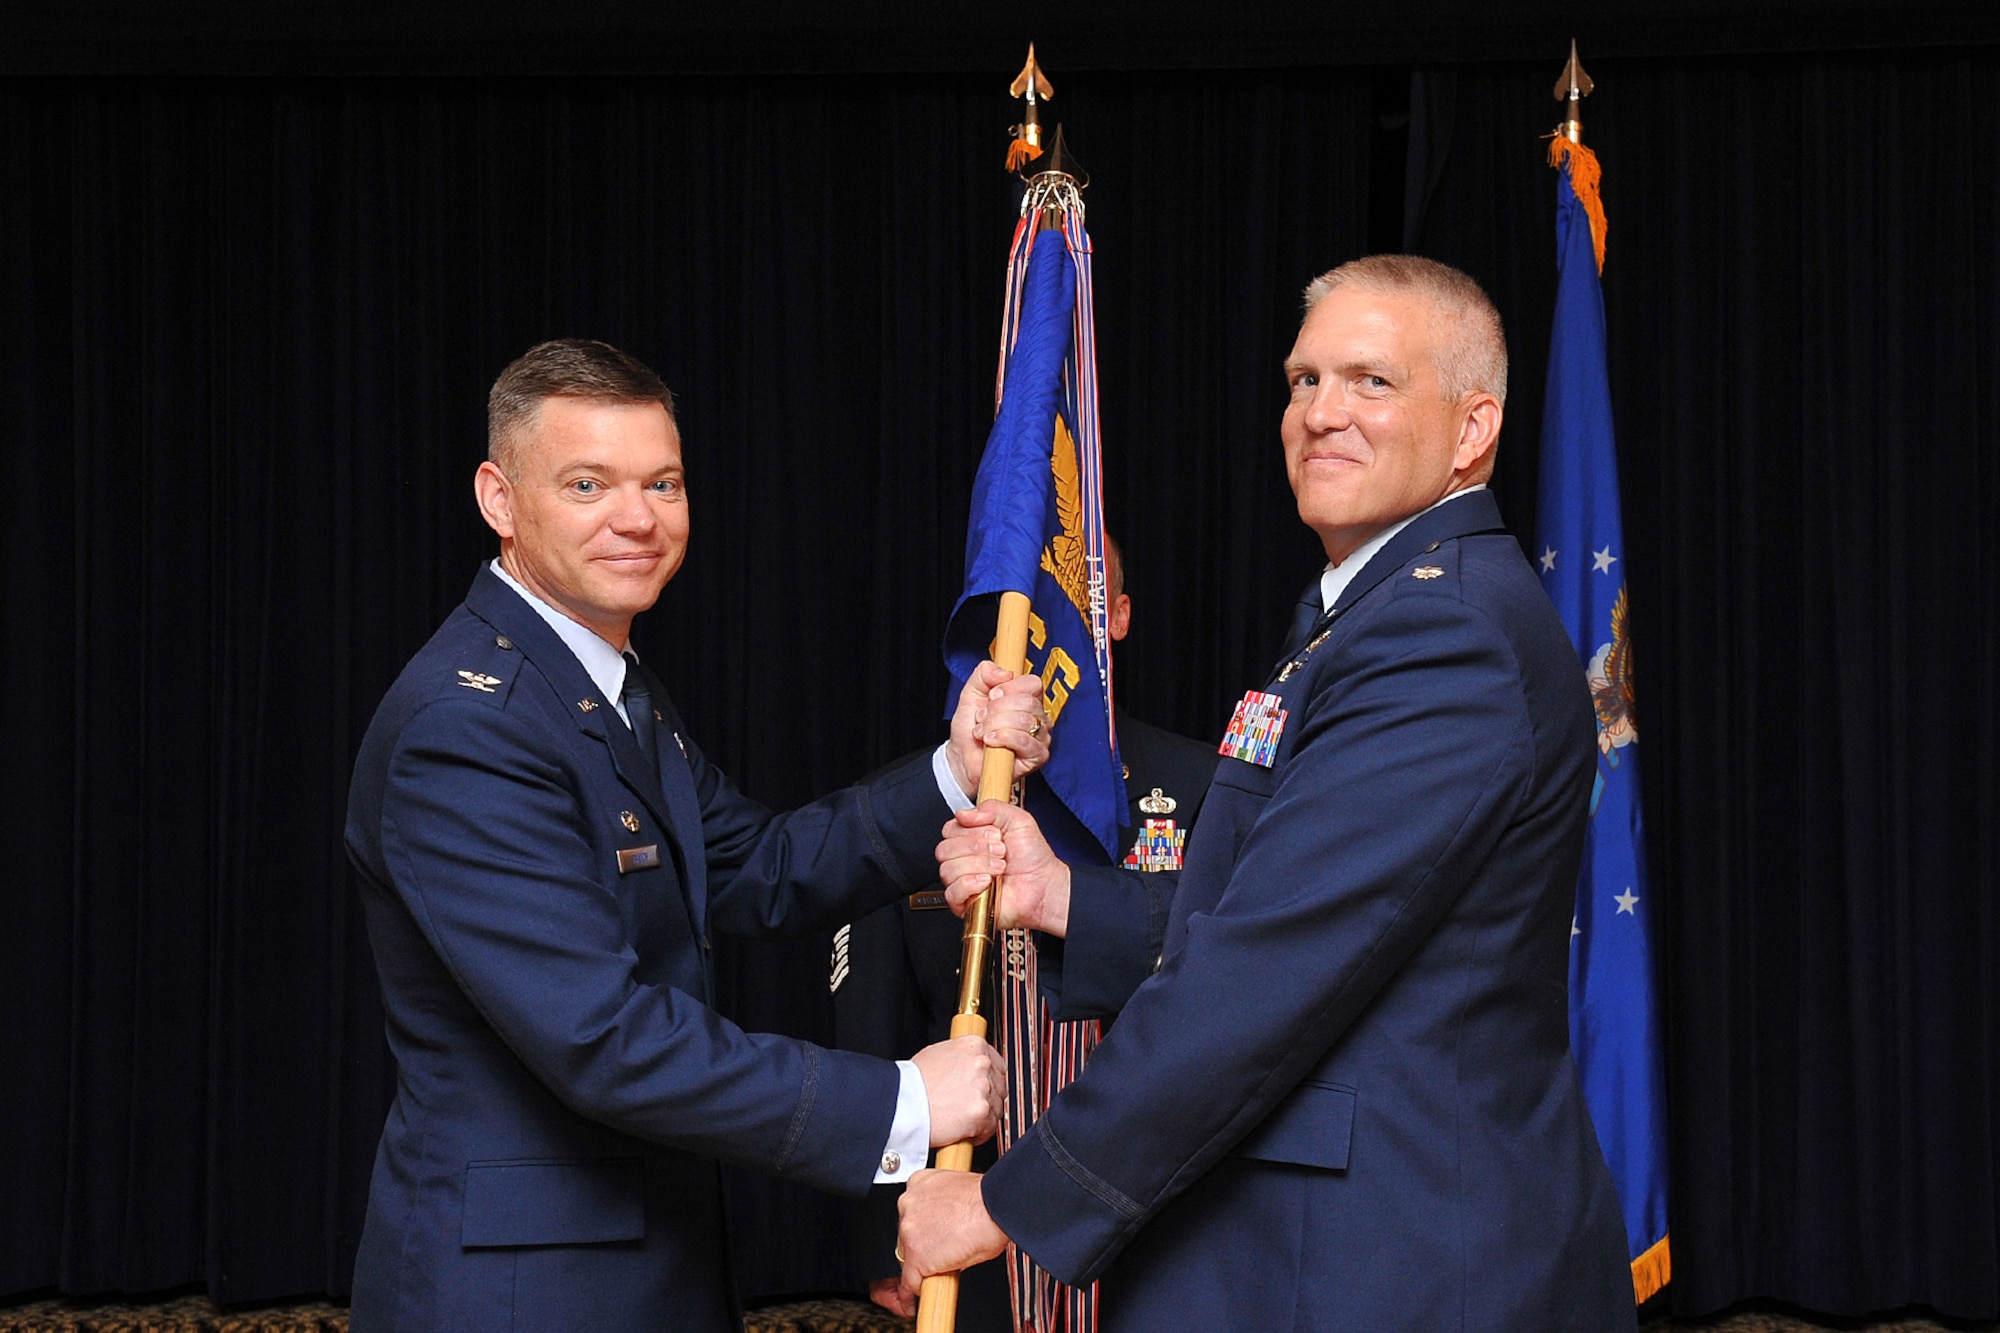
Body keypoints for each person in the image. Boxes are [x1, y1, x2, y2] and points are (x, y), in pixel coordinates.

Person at [898, 257, 1637, 1330]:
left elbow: (1270, 963)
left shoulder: (1444, 635)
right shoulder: (1366, 612)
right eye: (1302, 381)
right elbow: (1282, 900)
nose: (1320, 413)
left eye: (1369, 382)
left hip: (1385, 1261)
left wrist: (1013, 1200)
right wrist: (1068, 898)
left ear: (1472, 427)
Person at [344, 339, 1043, 1333]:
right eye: (588, 483)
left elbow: (758, 869)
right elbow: (602, 1037)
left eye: (662, 482)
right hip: (523, 1292)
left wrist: (952, 766)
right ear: (498, 499)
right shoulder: (469, 728)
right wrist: (899, 1104)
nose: (639, 518)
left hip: (637, 1250)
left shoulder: (600, 687)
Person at [833, 537, 1217, 1328]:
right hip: (964, 1232)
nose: (1059, 612)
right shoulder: (912, 805)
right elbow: (868, 1039)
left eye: (1085, 590)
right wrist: (883, 1240)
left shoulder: (1202, 788)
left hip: (1157, 1227)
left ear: (1120, 617)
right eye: (1040, 595)